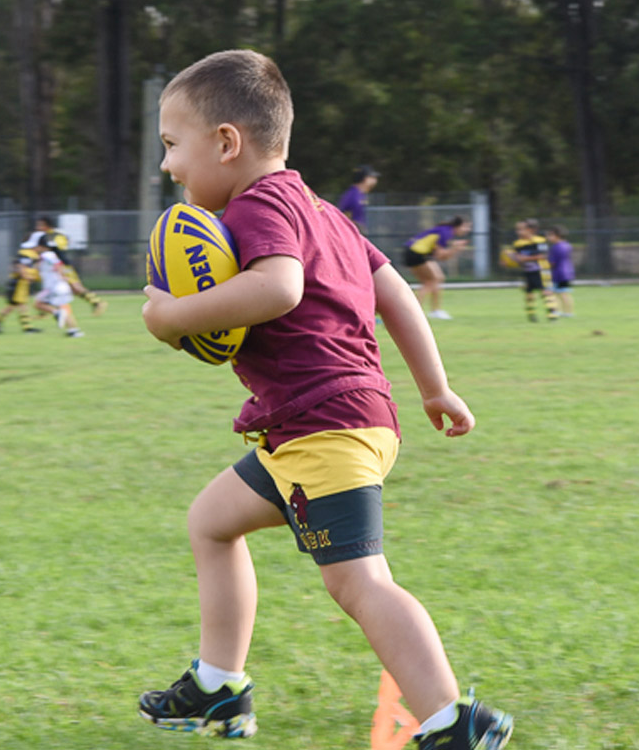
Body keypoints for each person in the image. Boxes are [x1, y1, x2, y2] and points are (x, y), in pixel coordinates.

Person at [138, 49, 512, 750]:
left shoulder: (257, 205)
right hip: (324, 423)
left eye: (172, 144)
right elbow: (394, 292)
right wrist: (434, 386)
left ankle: (450, 720)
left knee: (358, 581)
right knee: (212, 521)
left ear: (226, 142)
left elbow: (279, 288)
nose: (167, 165)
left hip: (324, 428)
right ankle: (219, 688)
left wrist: (170, 316)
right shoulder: (322, 211)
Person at [35, 216, 108, 316]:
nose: (38, 227)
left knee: (75, 287)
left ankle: (97, 302)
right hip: (54, 266)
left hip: (62, 266)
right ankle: (46, 311)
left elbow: (61, 246)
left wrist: (51, 246)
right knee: (69, 289)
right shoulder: (47, 236)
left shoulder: (54, 235)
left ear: (46, 225)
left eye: (40, 225)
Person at [402, 217, 472, 320]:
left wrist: (454, 249)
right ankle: (421, 311)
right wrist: (455, 249)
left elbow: (441, 257)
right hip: (416, 253)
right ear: (457, 226)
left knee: (435, 279)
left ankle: (428, 310)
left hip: (412, 252)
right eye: (465, 226)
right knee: (431, 281)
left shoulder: (445, 230)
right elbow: (441, 257)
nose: (468, 229)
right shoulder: (446, 232)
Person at [0, 232, 45, 334]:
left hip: (22, 283)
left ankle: (27, 327)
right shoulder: (26, 254)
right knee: (13, 305)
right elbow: (21, 267)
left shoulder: (31, 254)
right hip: (18, 283)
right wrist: (28, 276)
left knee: (21, 305)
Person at [34, 235, 84, 338]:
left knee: (38, 304)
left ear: (41, 246)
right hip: (57, 286)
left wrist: (62, 276)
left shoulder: (47, 254)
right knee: (64, 308)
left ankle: (57, 313)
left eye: (35, 247)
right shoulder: (46, 256)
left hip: (53, 287)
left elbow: (58, 264)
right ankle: (73, 331)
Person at [510, 219, 559, 322]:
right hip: (528, 271)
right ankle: (531, 314)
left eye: (521, 229)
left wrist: (525, 258)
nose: (518, 232)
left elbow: (543, 256)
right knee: (529, 293)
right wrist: (513, 259)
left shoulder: (540, 241)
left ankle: (552, 314)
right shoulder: (517, 244)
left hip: (542, 270)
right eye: (517, 230)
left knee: (546, 291)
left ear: (531, 230)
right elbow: (518, 259)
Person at [337, 165, 379, 232]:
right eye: (372, 177)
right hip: (353, 232)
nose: (375, 180)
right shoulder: (352, 195)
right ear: (364, 179)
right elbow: (341, 216)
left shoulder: (361, 194)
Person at [545, 225, 576, 317]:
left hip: (559, 273)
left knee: (559, 293)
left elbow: (552, 263)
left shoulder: (556, 247)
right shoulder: (567, 245)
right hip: (567, 272)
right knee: (563, 293)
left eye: (550, 235)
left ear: (557, 236)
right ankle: (567, 312)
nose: (548, 237)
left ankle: (563, 312)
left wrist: (544, 266)